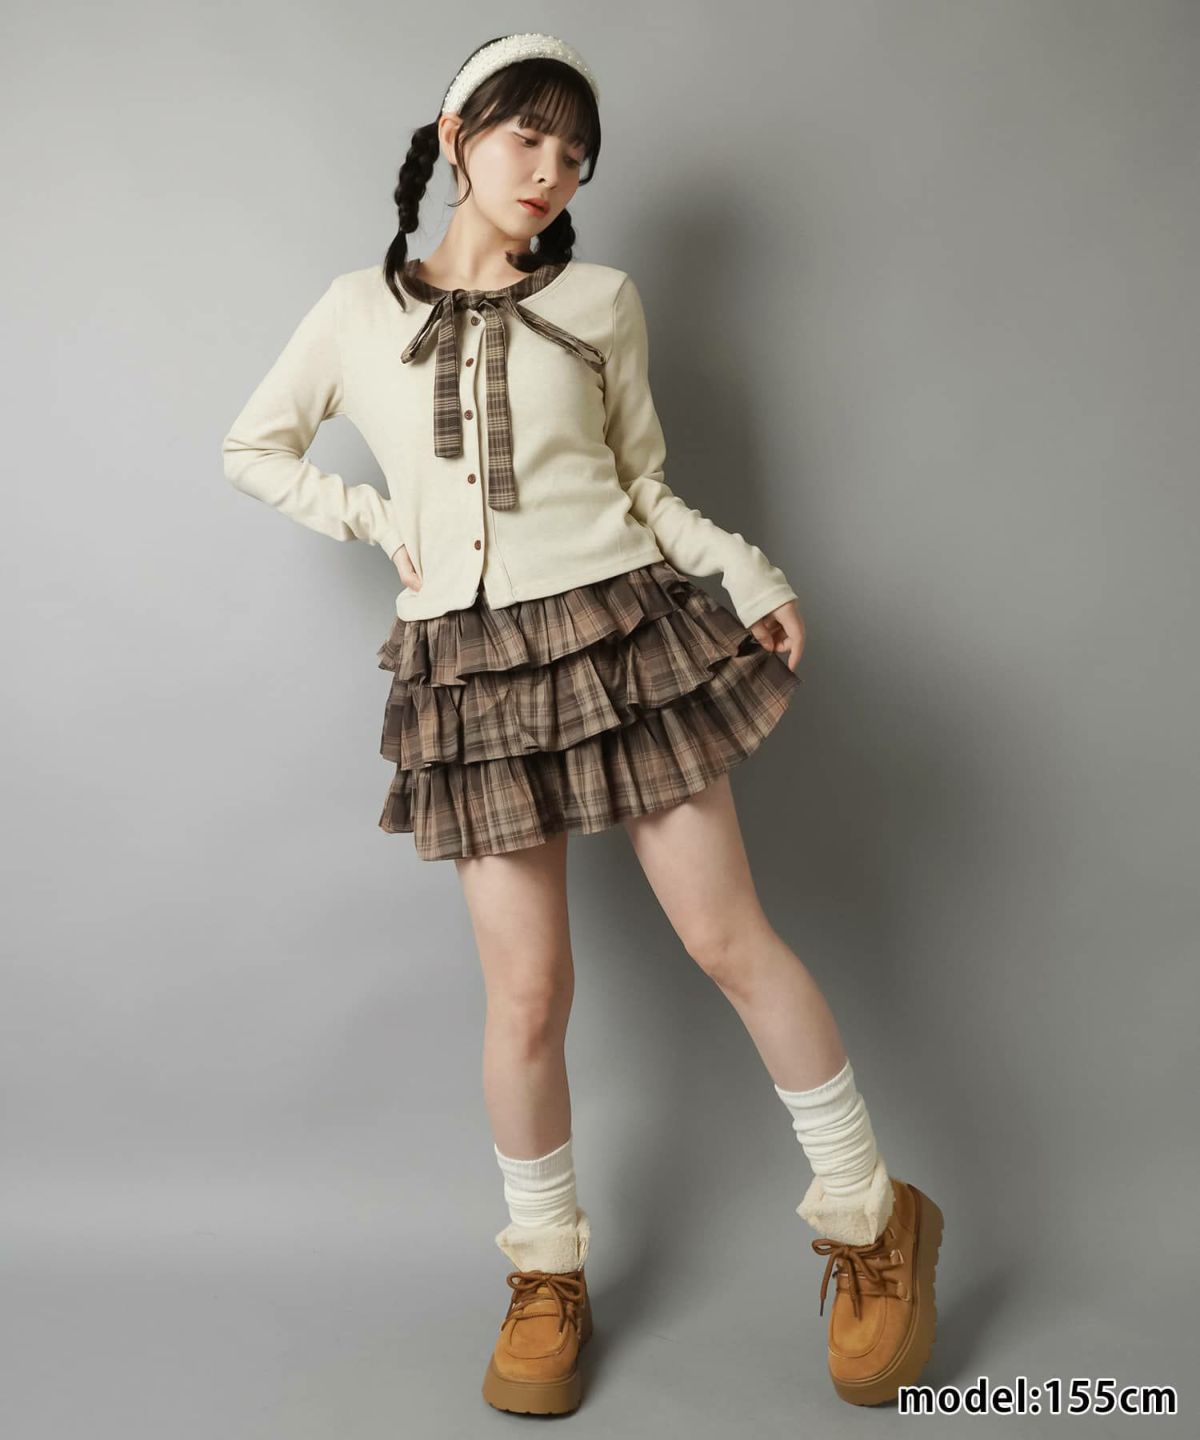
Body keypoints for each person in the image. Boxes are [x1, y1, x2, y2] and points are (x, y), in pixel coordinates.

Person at [221, 30, 943, 1416]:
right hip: (471, 671)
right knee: (529, 996)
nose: (549, 169)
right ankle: (546, 1274)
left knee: (728, 940)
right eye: (524, 137)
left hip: (621, 640)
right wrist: (375, 520)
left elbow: (645, 486)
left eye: (573, 153)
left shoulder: (602, 301)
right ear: (456, 137)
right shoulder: (355, 312)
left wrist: (750, 573)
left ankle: (871, 1216)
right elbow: (253, 446)